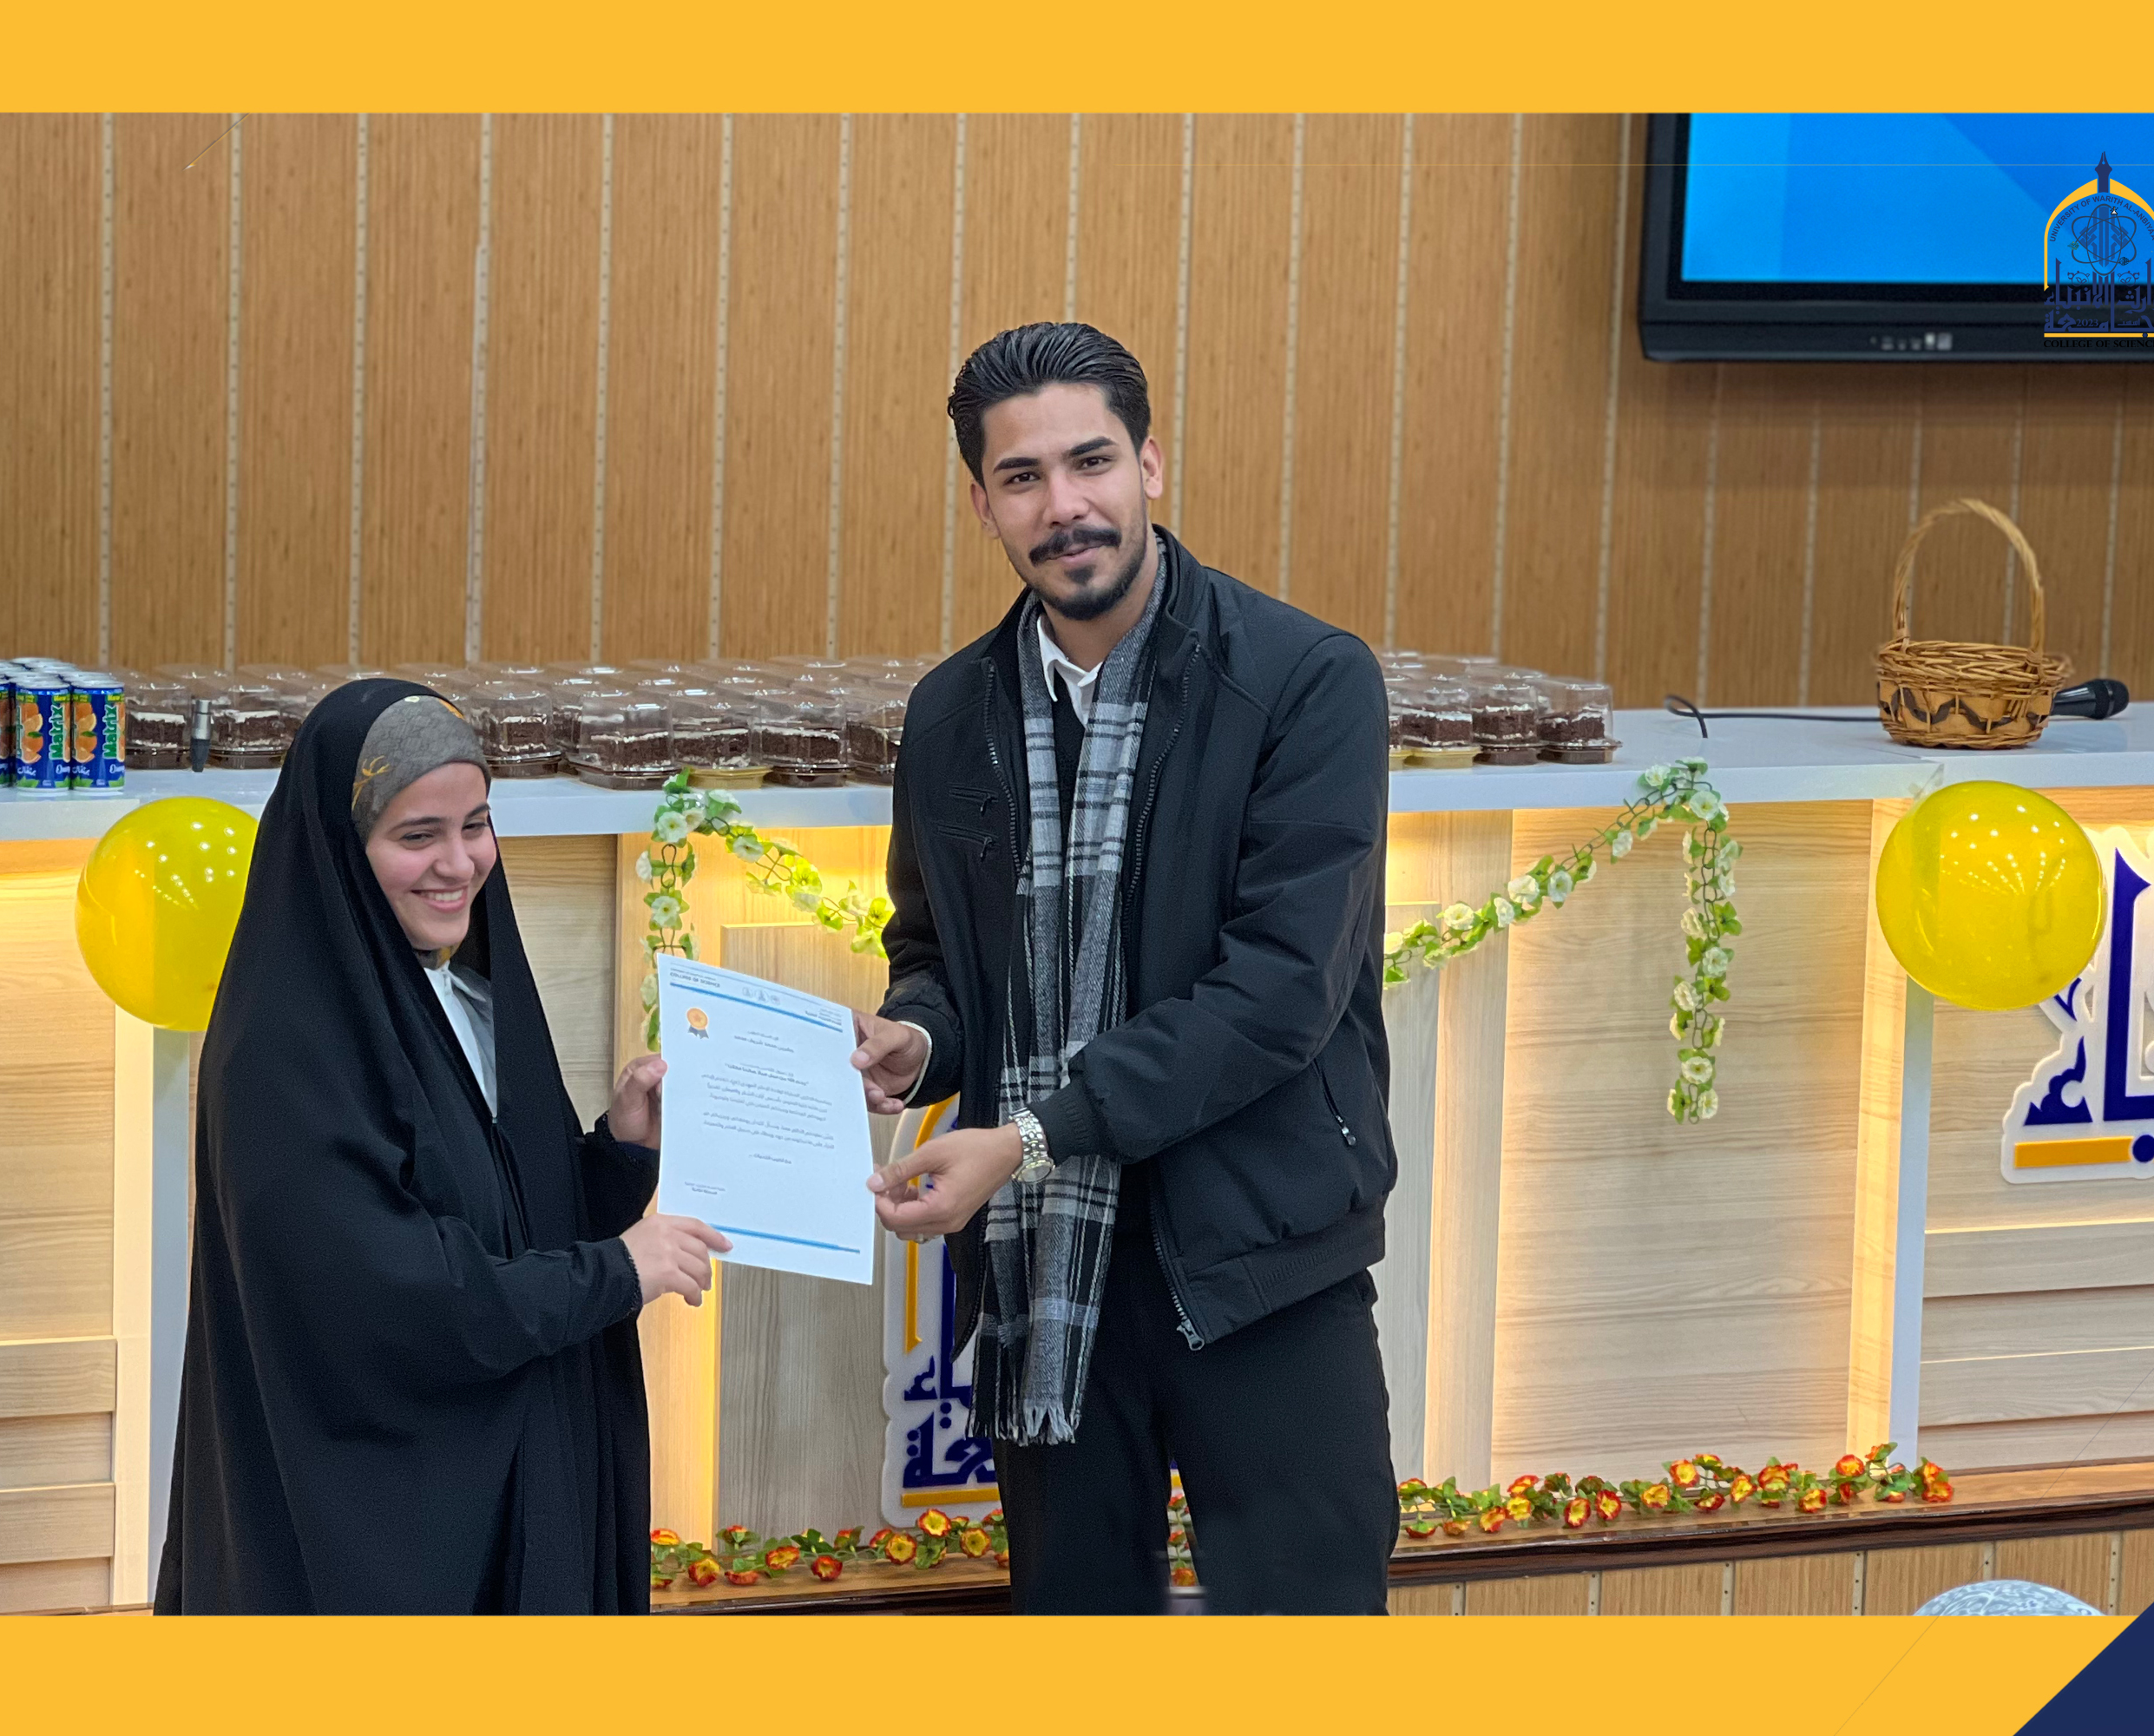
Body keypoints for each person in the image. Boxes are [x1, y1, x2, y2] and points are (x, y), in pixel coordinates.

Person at [851, 322, 1398, 1614]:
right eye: (1022, 477)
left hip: (1263, 1255)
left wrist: (1028, 1136)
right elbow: (936, 953)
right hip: (1048, 1277)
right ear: (982, 503)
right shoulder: (951, 715)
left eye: (1089, 461)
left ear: (1149, 464)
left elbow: (1278, 994)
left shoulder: (1304, 682)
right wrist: (917, 1041)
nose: (1063, 505)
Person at [155, 681, 731, 1613]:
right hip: (381, 1536)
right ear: (342, 846)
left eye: (477, 824)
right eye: (417, 835)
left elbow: (507, 1220)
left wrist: (620, 1150)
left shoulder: (464, 992)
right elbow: (398, 1299)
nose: (459, 864)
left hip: (504, 1491)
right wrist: (617, 1271)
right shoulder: (284, 1050)